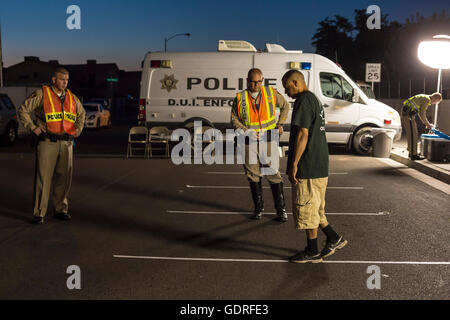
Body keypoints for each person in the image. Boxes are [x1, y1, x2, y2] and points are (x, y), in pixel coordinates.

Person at [282, 70, 347, 263]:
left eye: (287, 87)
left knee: (308, 209)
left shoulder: (303, 100)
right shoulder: (314, 99)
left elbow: (303, 134)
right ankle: (334, 238)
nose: (286, 92)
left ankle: (312, 252)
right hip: (319, 163)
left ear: (296, 82)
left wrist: (293, 163)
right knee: (317, 209)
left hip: (309, 164)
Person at [18, 67, 86, 224]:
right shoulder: (42, 94)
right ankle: (39, 213)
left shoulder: (71, 97)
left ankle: (60, 209)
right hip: (47, 142)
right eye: (62, 79)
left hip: (67, 143)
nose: (65, 82)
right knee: (44, 178)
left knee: (65, 178)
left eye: (67, 80)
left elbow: (81, 114)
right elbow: (23, 110)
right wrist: (33, 127)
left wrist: (78, 129)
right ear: (54, 80)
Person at [231, 68, 289, 222]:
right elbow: (234, 119)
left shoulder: (270, 93)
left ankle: (281, 210)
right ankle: (258, 209)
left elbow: (285, 106)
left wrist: (280, 123)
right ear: (247, 80)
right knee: (253, 175)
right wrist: (246, 131)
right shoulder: (240, 97)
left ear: (262, 80)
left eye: (258, 82)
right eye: (252, 81)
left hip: (268, 139)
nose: (255, 85)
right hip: (248, 141)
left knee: (273, 174)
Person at [401, 92, 442, 160]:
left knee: (412, 134)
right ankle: (414, 155)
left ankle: (411, 152)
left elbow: (420, 114)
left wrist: (426, 124)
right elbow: (422, 113)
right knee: (413, 135)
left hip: (408, 115)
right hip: (409, 115)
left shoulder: (424, 97)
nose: (435, 103)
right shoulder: (426, 100)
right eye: (436, 102)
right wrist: (428, 124)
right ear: (435, 98)